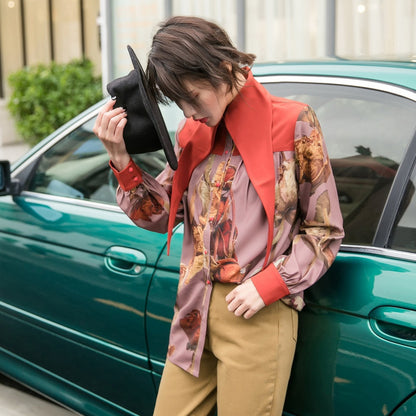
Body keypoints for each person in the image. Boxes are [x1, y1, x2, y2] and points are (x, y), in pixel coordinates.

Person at [94, 15, 344, 416]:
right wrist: (121, 160)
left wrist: (271, 284)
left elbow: (324, 229)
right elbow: (161, 217)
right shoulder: (194, 135)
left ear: (224, 70)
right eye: (179, 103)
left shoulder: (293, 123)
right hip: (193, 311)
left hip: (256, 313)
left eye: (193, 97)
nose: (189, 112)